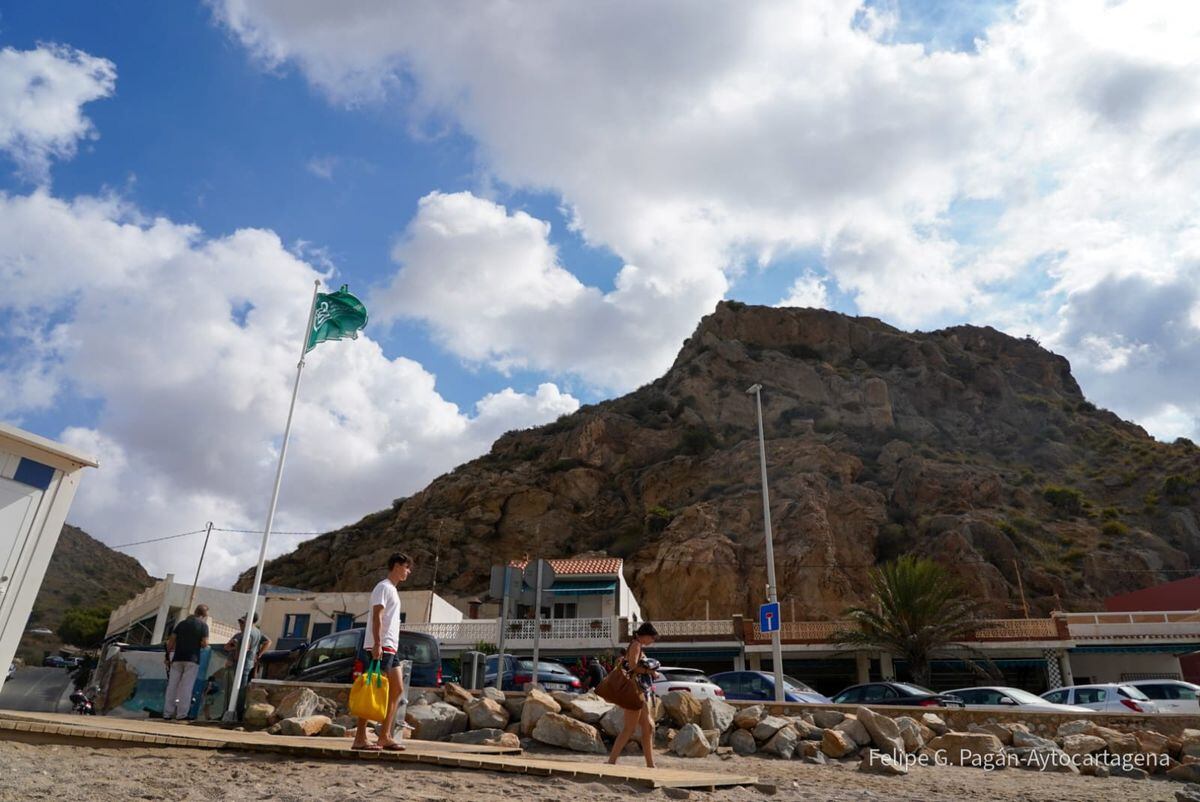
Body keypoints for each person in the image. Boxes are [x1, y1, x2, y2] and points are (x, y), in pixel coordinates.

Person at [352, 552, 414, 752]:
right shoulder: (383, 587)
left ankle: (384, 736)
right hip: (380, 645)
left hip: (390, 647)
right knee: (372, 688)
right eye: (406, 567)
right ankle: (360, 738)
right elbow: (377, 615)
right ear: (397, 565)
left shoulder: (393, 591)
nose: (408, 571)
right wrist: (377, 643)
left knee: (396, 690)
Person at [606, 622, 660, 768]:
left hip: (639, 692)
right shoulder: (636, 645)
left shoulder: (637, 645)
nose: (653, 641)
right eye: (652, 638)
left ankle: (650, 764)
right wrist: (651, 672)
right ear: (646, 636)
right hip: (634, 692)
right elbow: (633, 667)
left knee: (647, 727)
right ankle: (611, 761)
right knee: (629, 728)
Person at [163, 604, 209, 721]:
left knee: (172, 685)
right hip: (192, 659)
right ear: (204, 615)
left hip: (177, 658)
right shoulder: (203, 626)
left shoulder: (181, 624)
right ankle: (181, 714)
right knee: (186, 687)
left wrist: (167, 656)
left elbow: (171, 640)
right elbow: (205, 643)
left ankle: (167, 713)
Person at [224, 611, 271, 719]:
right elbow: (268, 641)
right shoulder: (257, 632)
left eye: (243, 621)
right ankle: (236, 712)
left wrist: (235, 648)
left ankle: (237, 714)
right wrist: (258, 654)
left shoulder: (248, 632)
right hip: (249, 663)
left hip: (242, 663)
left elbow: (246, 647)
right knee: (241, 688)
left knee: (239, 689)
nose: (241, 624)